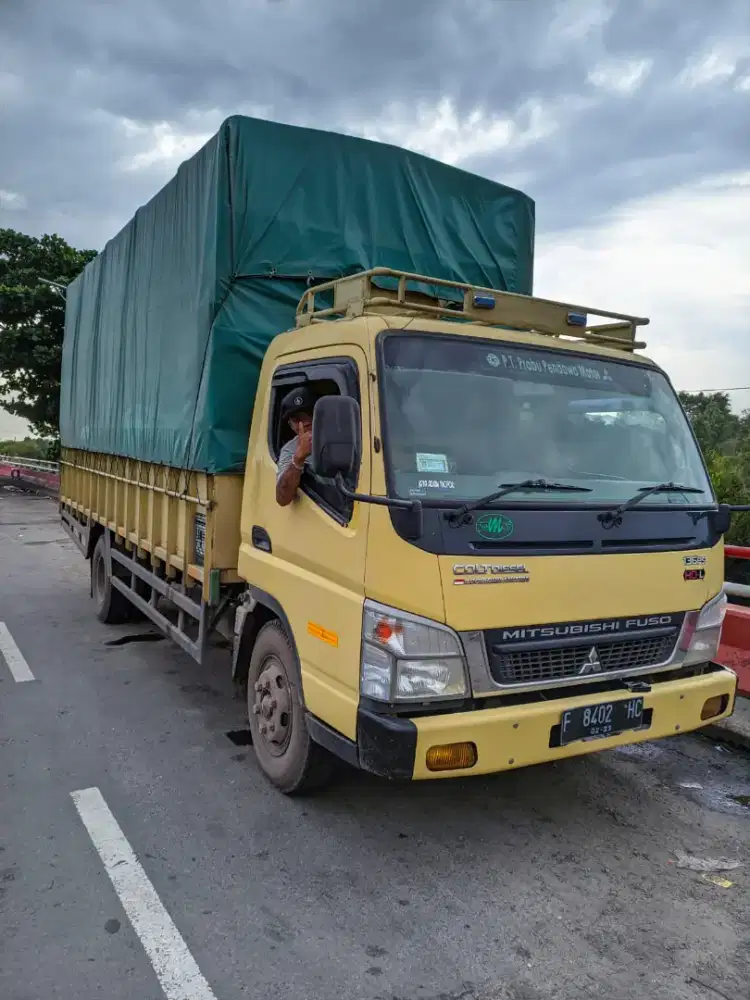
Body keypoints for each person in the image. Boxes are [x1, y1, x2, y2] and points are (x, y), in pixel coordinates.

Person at [276, 386, 317, 506]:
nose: (305, 422)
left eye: (309, 413)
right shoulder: (289, 450)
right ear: (290, 425)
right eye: (297, 418)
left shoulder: (340, 435)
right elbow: (282, 499)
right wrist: (298, 459)